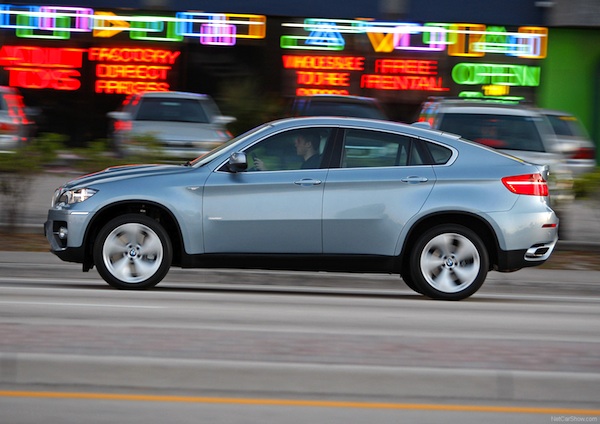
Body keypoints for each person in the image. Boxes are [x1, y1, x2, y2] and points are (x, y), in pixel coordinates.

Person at [252, 129, 321, 171]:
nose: (295, 144)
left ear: (308, 144)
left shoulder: (312, 166)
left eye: (299, 141)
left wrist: (265, 171)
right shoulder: (312, 163)